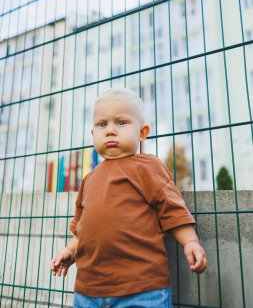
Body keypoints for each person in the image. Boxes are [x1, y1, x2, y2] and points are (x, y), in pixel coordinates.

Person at [51, 88, 207, 308]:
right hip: (88, 293)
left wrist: (191, 242)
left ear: (142, 133)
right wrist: (69, 251)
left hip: (142, 290)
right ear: (93, 133)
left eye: (121, 123)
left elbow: (173, 211)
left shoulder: (148, 167)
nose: (110, 131)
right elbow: (82, 231)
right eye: (102, 124)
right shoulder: (89, 180)